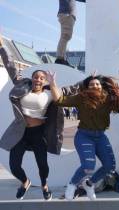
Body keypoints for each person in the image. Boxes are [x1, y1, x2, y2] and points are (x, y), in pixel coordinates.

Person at [0, 33, 77, 200]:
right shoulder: (23, 85)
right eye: (36, 77)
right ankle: (25, 181)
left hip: (38, 133)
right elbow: (11, 66)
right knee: (14, 165)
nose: (38, 80)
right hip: (20, 131)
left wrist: (91, 80)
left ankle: (44, 185)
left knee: (42, 164)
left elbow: (67, 92)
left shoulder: (49, 93)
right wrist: (2, 47)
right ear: (32, 78)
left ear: (45, 81)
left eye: (42, 78)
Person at [50, 74, 119, 201]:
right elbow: (59, 100)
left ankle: (89, 184)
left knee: (110, 166)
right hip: (84, 136)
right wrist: (52, 83)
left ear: (102, 87)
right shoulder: (81, 97)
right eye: (91, 84)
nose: (94, 86)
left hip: (101, 136)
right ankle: (72, 184)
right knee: (88, 166)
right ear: (87, 87)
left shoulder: (108, 98)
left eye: (97, 84)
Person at [55, 0, 86, 66]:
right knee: (65, 36)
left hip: (67, 14)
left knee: (66, 36)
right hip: (67, 14)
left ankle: (62, 58)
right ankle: (60, 59)